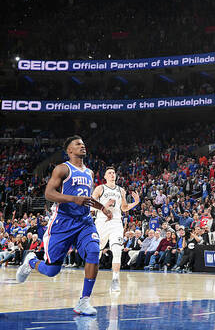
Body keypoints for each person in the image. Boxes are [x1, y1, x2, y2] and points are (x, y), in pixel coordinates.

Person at [16, 135, 113, 316]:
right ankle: (30, 262)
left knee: (93, 251)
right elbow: (49, 193)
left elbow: (86, 198)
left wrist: (102, 209)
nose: (82, 146)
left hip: (84, 222)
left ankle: (84, 301)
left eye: (83, 144)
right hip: (63, 222)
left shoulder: (90, 173)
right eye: (77, 144)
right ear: (69, 150)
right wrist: (72, 199)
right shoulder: (62, 169)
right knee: (52, 270)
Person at [91, 167, 140, 292]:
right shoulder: (100, 188)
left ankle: (115, 280)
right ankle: (90, 278)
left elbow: (124, 208)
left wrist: (136, 202)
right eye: (109, 173)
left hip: (116, 222)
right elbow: (91, 206)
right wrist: (104, 206)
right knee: (96, 251)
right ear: (105, 177)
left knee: (117, 249)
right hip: (102, 222)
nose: (112, 174)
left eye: (113, 173)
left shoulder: (121, 190)